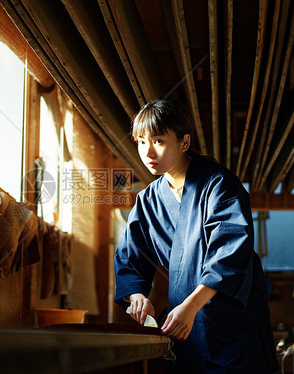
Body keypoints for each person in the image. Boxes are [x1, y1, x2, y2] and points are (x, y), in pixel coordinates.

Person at [114, 98, 278, 373]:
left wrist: (191, 307)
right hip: (185, 331)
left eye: (159, 141)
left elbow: (230, 252)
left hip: (232, 328)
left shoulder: (219, 185)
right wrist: (136, 297)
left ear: (184, 142)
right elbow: (130, 258)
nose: (148, 152)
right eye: (142, 142)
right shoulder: (147, 201)